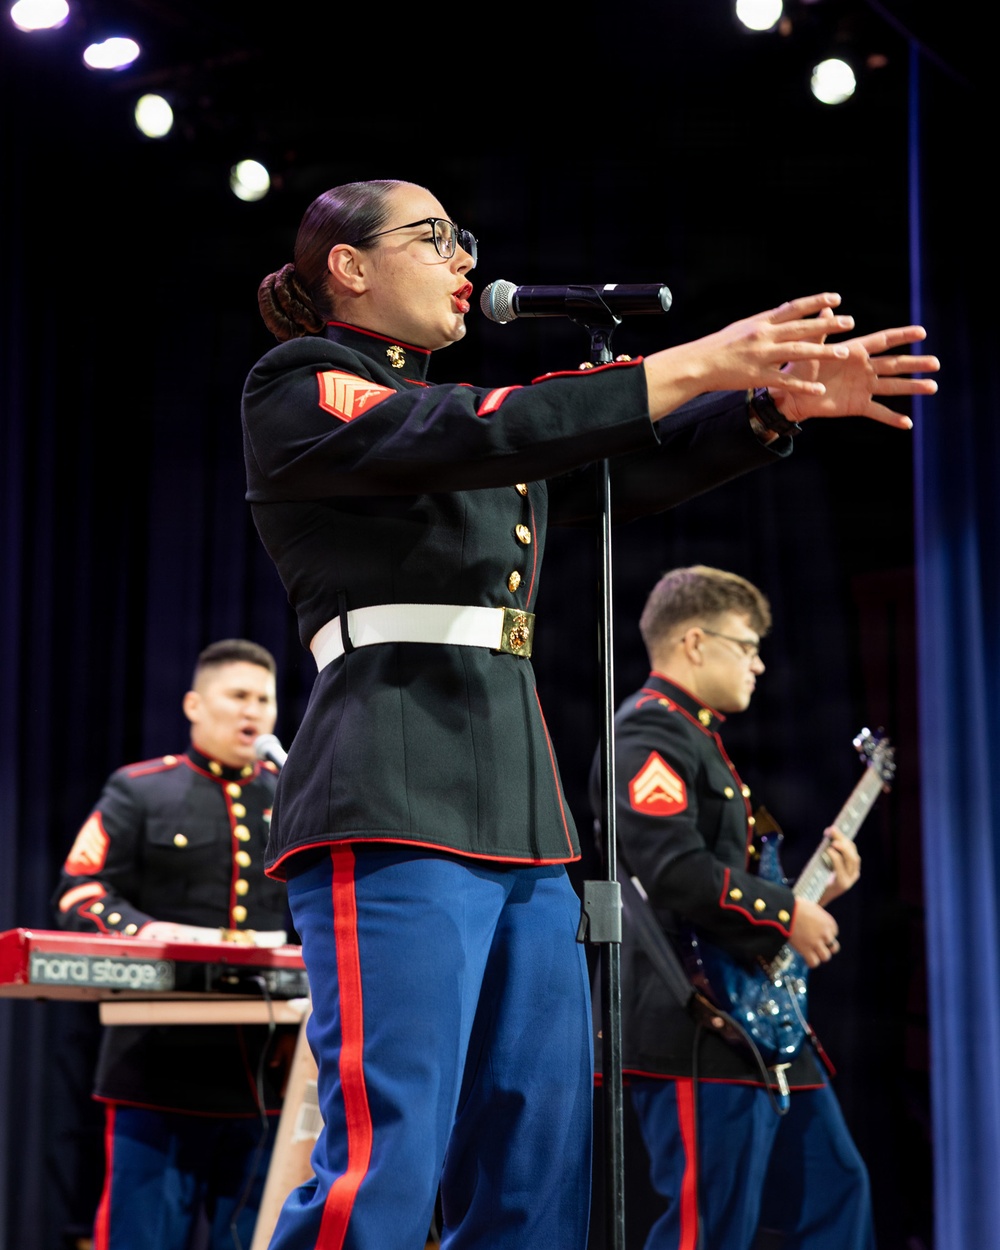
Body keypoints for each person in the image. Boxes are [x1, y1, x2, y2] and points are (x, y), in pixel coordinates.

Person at [239, 177, 938, 1250]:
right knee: (392, 1146)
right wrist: (695, 361)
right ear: (349, 264)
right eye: (434, 237)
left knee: (535, 1148)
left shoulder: (457, 428)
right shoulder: (305, 386)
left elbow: (607, 472)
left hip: (519, 808)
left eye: (464, 237)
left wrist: (767, 406)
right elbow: (482, 430)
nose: (463, 257)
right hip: (390, 788)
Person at [592, 564, 872, 1249]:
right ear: (694, 642)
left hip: (757, 1028)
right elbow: (675, 873)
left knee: (839, 1194)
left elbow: (723, 877)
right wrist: (787, 915)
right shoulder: (648, 736)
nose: (759, 662)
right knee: (709, 1230)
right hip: (698, 1026)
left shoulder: (698, 737)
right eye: (745, 646)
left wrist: (816, 896)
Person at [52, 638, 296, 1250]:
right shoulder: (141, 791)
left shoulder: (292, 799)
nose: (254, 712)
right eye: (238, 695)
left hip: (265, 1080)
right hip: (156, 1074)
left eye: (264, 699)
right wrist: (147, 936)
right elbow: (80, 893)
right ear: (194, 704)